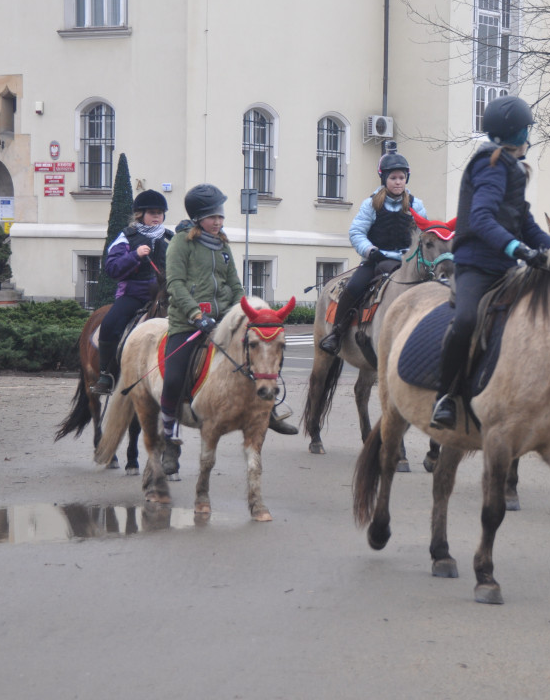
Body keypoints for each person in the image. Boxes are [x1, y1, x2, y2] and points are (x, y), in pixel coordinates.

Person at [430, 95, 550, 429]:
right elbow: (482, 218)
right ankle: (444, 395)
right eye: (526, 129)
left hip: (506, 268)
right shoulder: (490, 165)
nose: (529, 134)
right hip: (476, 266)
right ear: (515, 133)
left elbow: (525, 223)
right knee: (467, 321)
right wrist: (519, 250)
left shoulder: (512, 168)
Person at [161, 184, 296, 477]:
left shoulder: (222, 245)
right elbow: (175, 284)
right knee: (172, 377)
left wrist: (247, 311)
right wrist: (196, 314)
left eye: (220, 216)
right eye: (212, 217)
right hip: (187, 322)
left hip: (224, 320)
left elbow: (235, 284)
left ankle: (268, 411)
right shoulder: (181, 244)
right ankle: (169, 438)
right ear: (198, 218)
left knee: (260, 357)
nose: (218, 222)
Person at [319, 151, 427, 354]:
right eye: (393, 178)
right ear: (384, 179)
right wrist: (370, 250)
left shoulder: (416, 205)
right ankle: (337, 333)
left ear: (406, 179)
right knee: (354, 286)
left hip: (405, 262)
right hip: (376, 260)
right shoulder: (371, 204)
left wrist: (414, 253)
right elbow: (357, 232)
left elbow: (422, 235)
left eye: (401, 178)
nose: (398, 182)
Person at [91, 189, 174, 395]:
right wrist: (135, 255)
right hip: (134, 295)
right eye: (152, 212)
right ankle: (106, 374)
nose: (156, 216)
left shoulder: (171, 239)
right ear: (140, 215)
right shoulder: (126, 238)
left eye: (160, 213)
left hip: (166, 296)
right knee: (110, 323)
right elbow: (111, 269)